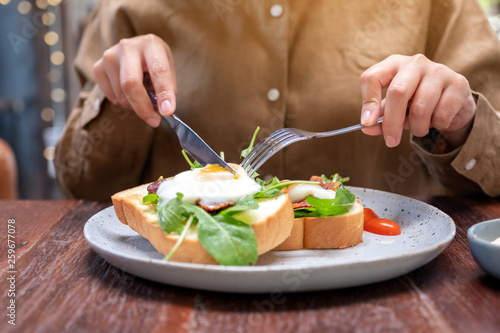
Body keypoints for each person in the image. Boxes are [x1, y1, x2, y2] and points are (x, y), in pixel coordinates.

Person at [55, 0, 500, 200]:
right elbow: (80, 185)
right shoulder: (125, 8)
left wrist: (460, 126)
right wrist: (124, 100)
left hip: (400, 288)